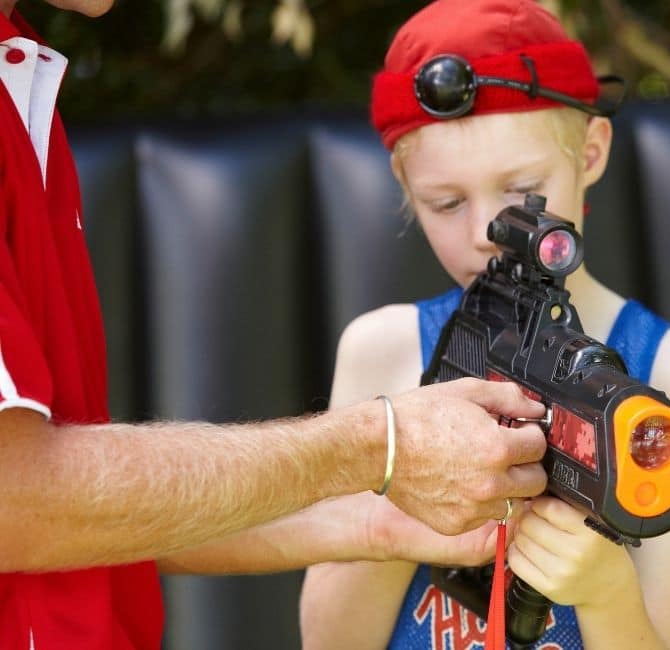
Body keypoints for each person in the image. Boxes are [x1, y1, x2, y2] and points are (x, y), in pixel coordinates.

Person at [0, 1, 552, 648]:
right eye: (446, 202)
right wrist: (380, 446)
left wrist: (375, 522)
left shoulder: (19, 74)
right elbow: (17, 500)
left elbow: (74, 511)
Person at [298, 1, 670, 648]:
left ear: (591, 151)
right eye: (445, 202)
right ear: (404, 184)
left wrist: (606, 589)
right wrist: (402, 493)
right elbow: (330, 642)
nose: (485, 235)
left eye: (523, 189)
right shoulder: (381, 351)